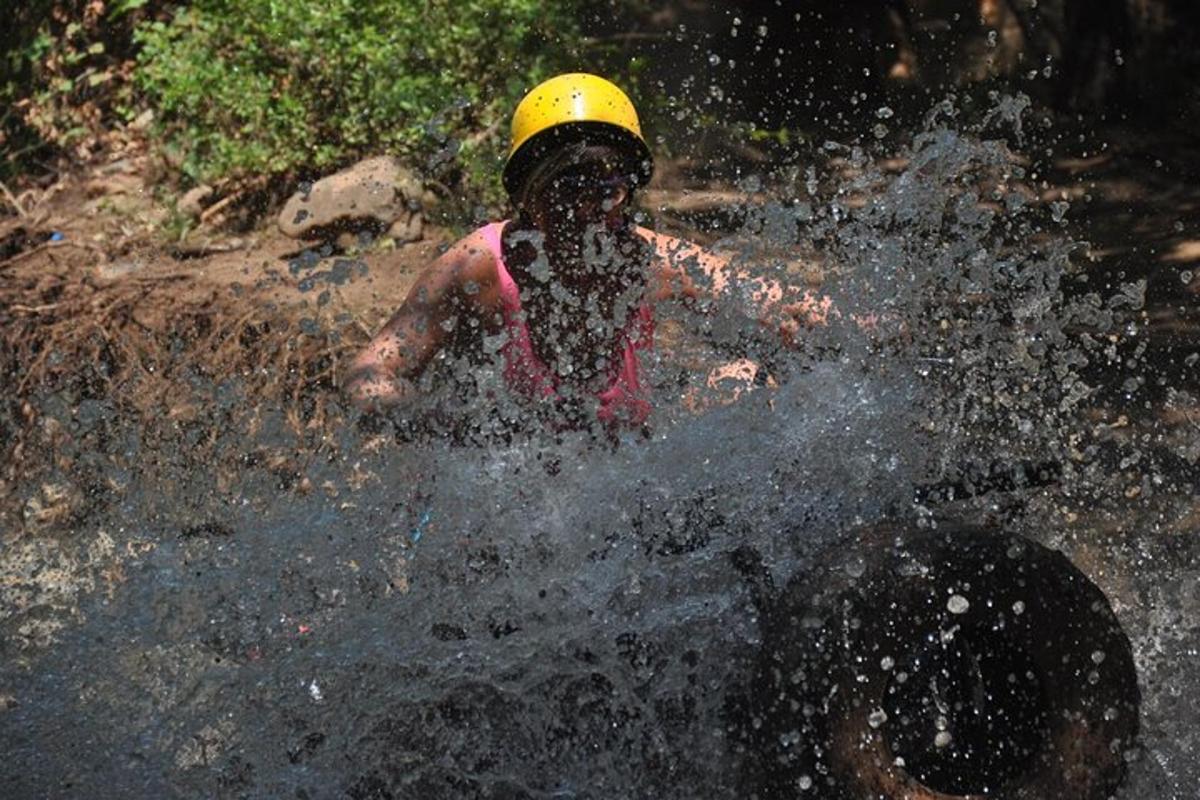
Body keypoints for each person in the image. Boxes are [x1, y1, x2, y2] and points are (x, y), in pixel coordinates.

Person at [345, 73, 830, 432]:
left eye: (606, 191)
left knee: (743, 379)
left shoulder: (649, 260)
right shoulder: (478, 267)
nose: (587, 211)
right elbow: (367, 380)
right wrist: (459, 424)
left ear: (627, 194)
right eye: (566, 188)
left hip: (623, 476)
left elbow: (780, 306)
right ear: (528, 197)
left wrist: (873, 330)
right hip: (513, 484)